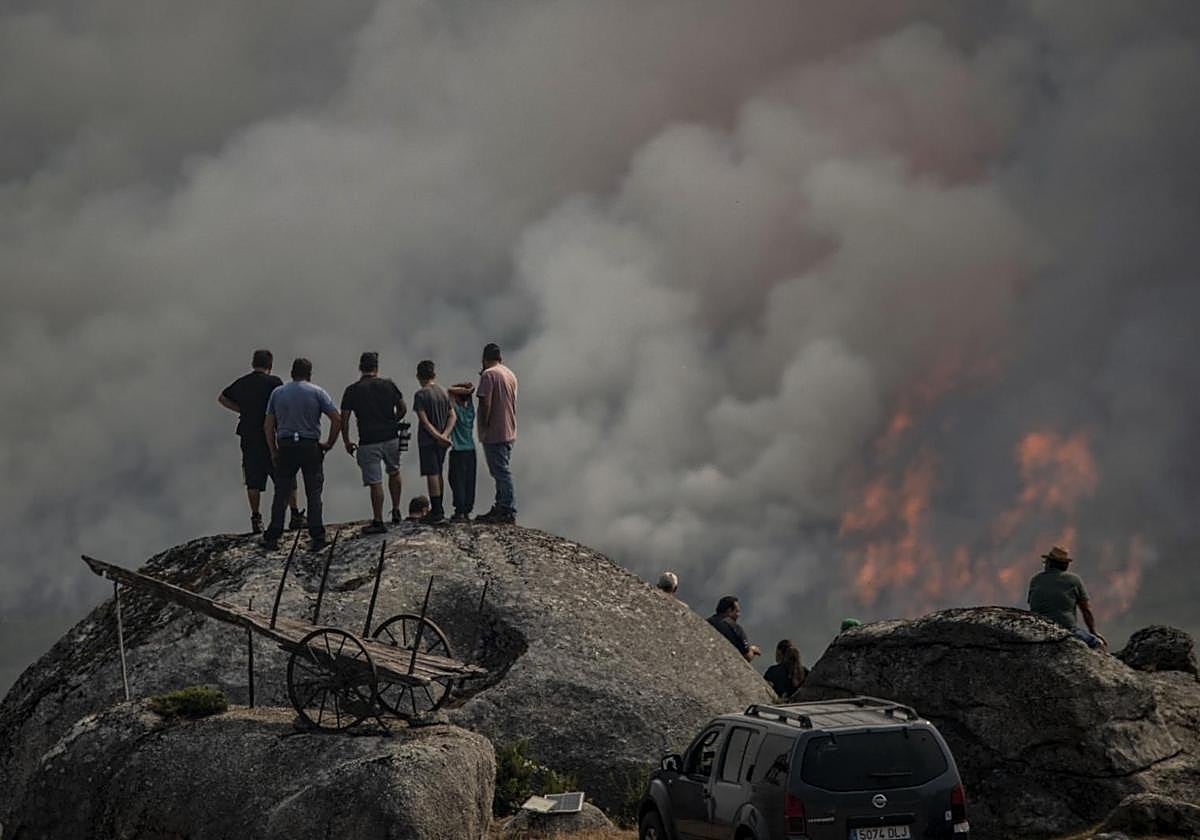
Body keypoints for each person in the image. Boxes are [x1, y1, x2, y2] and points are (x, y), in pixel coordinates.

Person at [261, 358, 341, 551]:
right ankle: (317, 535)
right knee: (313, 492)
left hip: (286, 445)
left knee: (281, 492)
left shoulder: (278, 393)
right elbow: (336, 418)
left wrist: (273, 450)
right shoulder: (318, 392)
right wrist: (329, 444)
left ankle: (273, 535)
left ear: (292, 373)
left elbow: (268, 425)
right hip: (309, 445)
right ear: (309, 374)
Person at [217, 350, 301, 533]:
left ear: (253, 363)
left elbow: (222, 398)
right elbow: (282, 403)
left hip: (248, 436)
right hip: (271, 435)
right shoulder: (274, 382)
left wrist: (242, 409)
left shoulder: (242, 382)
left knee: (253, 479)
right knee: (286, 475)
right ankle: (295, 515)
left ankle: (256, 518)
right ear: (270, 365)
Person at [340, 352, 407, 534]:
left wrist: (347, 441)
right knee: (394, 471)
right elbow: (403, 408)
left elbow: (344, 419)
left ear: (360, 367)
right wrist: (392, 421)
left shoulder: (352, 390)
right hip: (391, 437)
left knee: (375, 482)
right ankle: (396, 509)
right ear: (376, 368)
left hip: (368, 441)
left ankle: (378, 520)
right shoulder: (388, 385)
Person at [1028, 545, 1107, 650]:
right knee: (1098, 644)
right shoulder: (1073, 580)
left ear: (1049, 563)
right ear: (1065, 565)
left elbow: (1032, 604)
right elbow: (1086, 610)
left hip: (1038, 627)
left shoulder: (1035, 580)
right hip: (1066, 629)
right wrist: (1093, 632)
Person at [476, 343, 519, 524]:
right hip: (509, 429)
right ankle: (501, 504)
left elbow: (485, 403)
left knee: (500, 471)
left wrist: (484, 425)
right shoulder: (510, 374)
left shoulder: (488, 375)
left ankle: (507, 508)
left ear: (484, 359)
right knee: (501, 469)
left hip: (495, 430)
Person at [413, 360, 455, 524]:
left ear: (418, 376)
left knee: (432, 474)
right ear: (434, 375)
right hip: (442, 442)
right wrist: (445, 435)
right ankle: (440, 508)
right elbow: (452, 416)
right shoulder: (443, 392)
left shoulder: (420, 395)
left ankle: (436, 511)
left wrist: (437, 436)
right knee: (439, 472)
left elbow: (424, 421)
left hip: (428, 440)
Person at [446, 382, 477, 522]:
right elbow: (465, 396)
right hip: (471, 450)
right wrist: (468, 391)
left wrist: (461, 388)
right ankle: (467, 509)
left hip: (458, 450)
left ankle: (459, 511)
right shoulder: (470, 411)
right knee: (469, 481)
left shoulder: (455, 411)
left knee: (456, 481)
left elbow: (449, 391)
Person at [707, 595, 761, 661]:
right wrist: (752, 650)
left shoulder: (707, 622)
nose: (739, 615)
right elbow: (747, 657)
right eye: (737, 611)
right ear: (729, 610)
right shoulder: (734, 628)